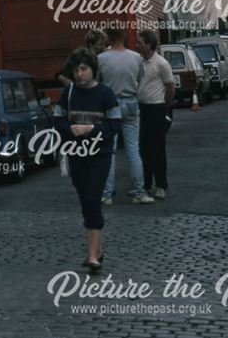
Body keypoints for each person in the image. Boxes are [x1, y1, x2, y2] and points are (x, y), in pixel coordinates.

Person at [53, 47, 121, 274]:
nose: (79, 74)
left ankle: (92, 256)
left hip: (100, 155)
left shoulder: (105, 93)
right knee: (85, 200)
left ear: (93, 69)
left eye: (83, 69)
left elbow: (114, 125)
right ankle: (97, 248)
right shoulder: (69, 93)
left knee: (92, 198)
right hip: (76, 155)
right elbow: (57, 120)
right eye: (75, 70)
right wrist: (70, 130)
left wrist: (90, 129)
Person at [98, 28, 154, 205]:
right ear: (124, 37)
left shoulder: (101, 58)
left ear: (108, 37)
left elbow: (98, 82)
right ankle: (138, 191)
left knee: (109, 151)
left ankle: (106, 194)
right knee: (133, 150)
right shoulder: (136, 58)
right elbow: (140, 79)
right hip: (130, 103)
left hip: (110, 105)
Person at [136, 30, 175, 200]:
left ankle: (161, 185)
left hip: (156, 108)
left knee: (157, 148)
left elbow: (170, 86)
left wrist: (165, 104)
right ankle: (146, 183)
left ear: (149, 44)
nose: (138, 45)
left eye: (140, 42)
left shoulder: (161, 64)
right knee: (143, 149)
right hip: (141, 108)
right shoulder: (138, 62)